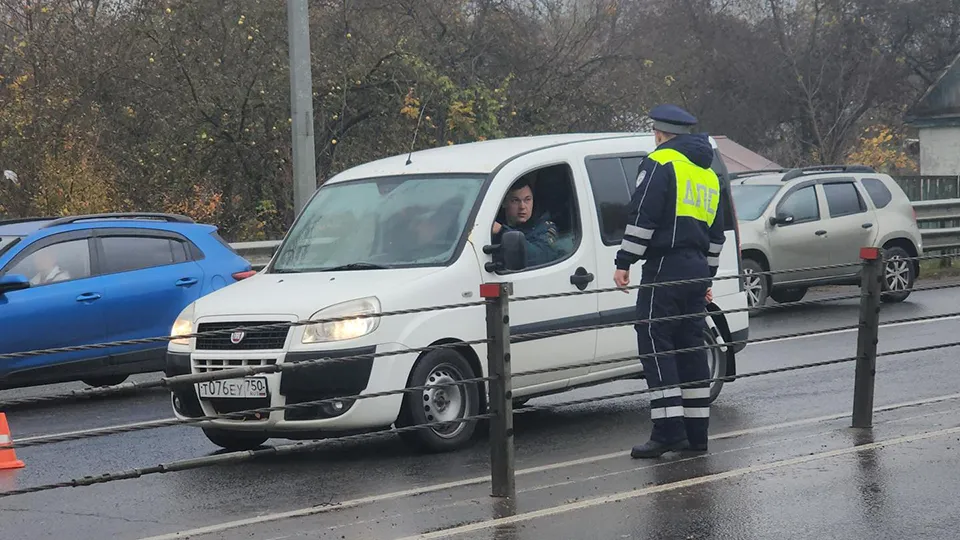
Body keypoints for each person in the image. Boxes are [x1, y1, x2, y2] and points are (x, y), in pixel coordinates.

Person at [612, 104, 726, 459]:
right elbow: (717, 235)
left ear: (660, 133)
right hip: (696, 271)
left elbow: (643, 216)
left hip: (665, 267)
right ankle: (696, 434)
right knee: (690, 347)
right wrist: (708, 276)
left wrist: (624, 261)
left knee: (654, 340)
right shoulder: (708, 174)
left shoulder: (660, 162)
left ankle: (666, 431)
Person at [492, 176, 561, 268]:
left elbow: (542, 257)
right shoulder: (490, 225)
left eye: (527, 199)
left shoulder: (544, 227)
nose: (522, 206)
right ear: (504, 203)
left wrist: (501, 231)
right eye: (515, 200)